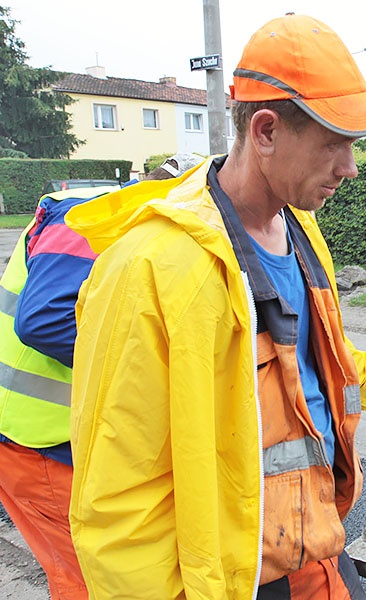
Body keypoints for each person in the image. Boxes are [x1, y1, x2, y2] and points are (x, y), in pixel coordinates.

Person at [64, 14, 366, 599]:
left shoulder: (301, 232)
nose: (350, 169)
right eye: (335, 144)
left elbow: (319, 358)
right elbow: (118, 495)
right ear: (267, 131)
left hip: (316, 545)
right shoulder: (148, 267)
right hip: (234, 578)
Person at [0, 153, 202, 600]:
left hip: (68, 437)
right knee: (90, 583)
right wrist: (154, 369)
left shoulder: (128, 223)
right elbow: (43, 320)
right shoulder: (91, 216)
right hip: (43, 442)